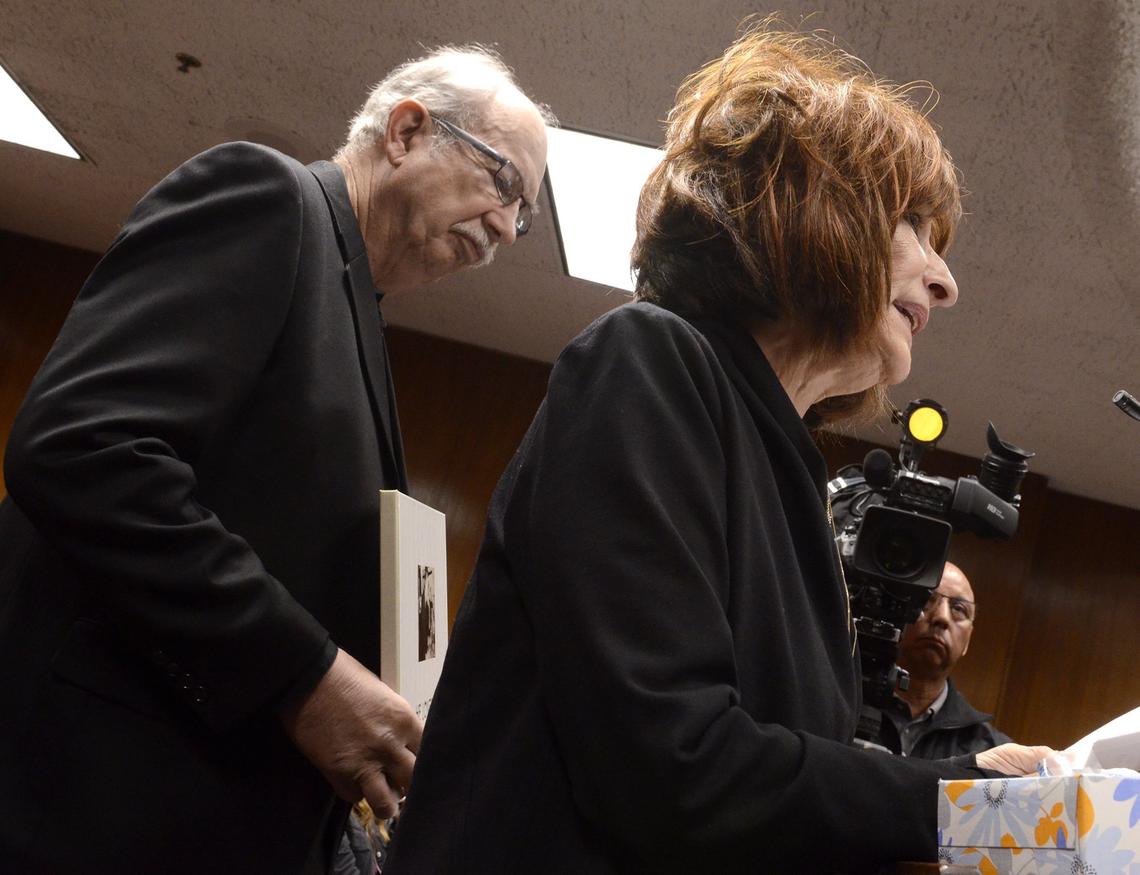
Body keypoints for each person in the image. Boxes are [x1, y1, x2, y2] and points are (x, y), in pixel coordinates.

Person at [384, 24, 1050, 874]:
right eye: (913, 227)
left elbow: (764, 770)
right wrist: (969, 803)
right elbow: (671, 765)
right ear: (808, 209)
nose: (943, 280)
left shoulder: (789, 474)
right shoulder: (647, 362)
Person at [0, 46, 553, 873]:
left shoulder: (356, 307)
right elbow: (81, 444)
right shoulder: (267, 199)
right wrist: (303, 675)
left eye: (528, 216)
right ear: (406, 131)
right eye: (505, 183)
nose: (510, 226)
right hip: (80, 807)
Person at [876, 561, 1013, 758]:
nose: (942, 617)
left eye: (959, 609)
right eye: (926, 599)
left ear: (968, 641)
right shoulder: (846, 701)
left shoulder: (988, 752)